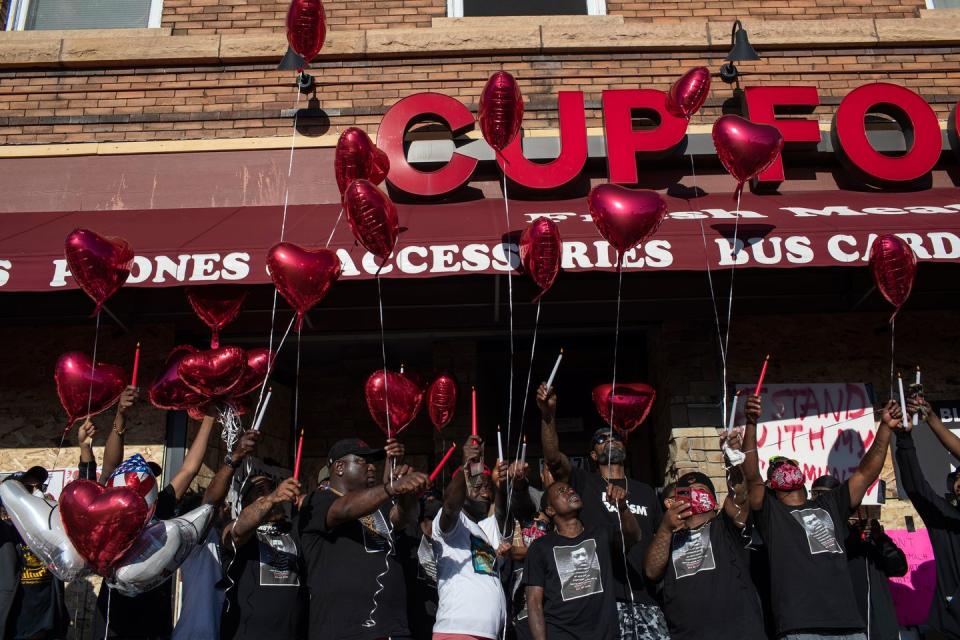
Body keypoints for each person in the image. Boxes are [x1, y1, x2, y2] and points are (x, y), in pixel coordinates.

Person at [742, 392, 900, 640]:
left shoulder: (830, 504)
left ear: (802, 476)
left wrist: (885, 428)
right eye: (775, 468)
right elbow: (751, 475)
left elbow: (866, 472)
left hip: (850, 627)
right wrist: (751, 423)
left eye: (789, 463)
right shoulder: (771, 514)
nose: (784, 467)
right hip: (802, 628)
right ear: (770, 485)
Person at [536, 383, 667, 640]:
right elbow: (553, 457)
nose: (610, 440)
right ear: (593, 455)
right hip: (604, 602)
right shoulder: (584, 483)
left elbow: (659, 540)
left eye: (615, 436)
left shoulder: (646, 492)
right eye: (601, 439)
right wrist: (548, 416)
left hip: (647, 601)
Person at [90, 389, 219, 640]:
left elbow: (190, 468)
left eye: (147, 480)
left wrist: (209, 418)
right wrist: (121, 415)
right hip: (113, 619)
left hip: (153, 618)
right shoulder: (110, 510)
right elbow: (109, 466)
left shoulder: (160, 507)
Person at [297, 438, 428, 640]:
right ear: (339, 467)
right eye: (362, 461)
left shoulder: (377, 504)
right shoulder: (317, 501)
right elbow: (345, 508)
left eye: (372, 462)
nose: (371, 467)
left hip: (394, 629)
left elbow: (403, 519)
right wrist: (391, 488)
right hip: (345, 631)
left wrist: (409, 495)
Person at [643, 431, 765, 640]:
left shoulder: (725, 527)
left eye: (699, 490)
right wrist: (665, 527)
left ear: (714, 502)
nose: (693, 495)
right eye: (686, 492)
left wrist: (732, 462)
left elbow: (740, 495)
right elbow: (652, 572)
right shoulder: (668, 536)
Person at [172, 428, 261, 640]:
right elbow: (210, 504)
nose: (227, 509)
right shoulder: (198, 542)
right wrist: (234, 459)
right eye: (222, 507)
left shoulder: (229, 541)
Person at [524, 480, 637, 640]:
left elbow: (633, 537)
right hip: (561, 634)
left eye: (571, 488)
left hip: (605, 634)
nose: (570, 491)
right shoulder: (540, 547)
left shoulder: (601, 533)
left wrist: (623, 508)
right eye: (562, 491)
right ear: (550, 510)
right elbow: (534, 602)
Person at [431, 436, 511, 640]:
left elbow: (502, 514)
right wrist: (467, 465)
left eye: (487, 487)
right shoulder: (453, 524)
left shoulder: (484, 528)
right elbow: (451, 505)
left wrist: (500, 485)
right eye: (477, 486)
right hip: (459, 630)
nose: (484, 490)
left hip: (489, 633)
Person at [897, 394, 960, 639]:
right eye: (957, 480)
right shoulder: (945, 518)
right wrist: (903, 439)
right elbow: (916, 486)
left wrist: (933, 419)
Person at [219, 471, 305, 640]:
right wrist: (272, 497)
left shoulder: (294, 530)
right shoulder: (237, 531)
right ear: (246, 504)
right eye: (259, 491)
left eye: (272, 488)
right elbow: (236, 532)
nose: (268, 493)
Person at [0, 466, 68, 640]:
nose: (37, 494)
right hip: (14, 627)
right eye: (29, 489)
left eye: (40, 488)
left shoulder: (50, 533)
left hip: (46, 626)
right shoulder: (4, 532)